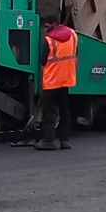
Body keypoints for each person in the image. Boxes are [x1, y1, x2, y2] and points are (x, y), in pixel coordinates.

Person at [36, 10, 78, 151]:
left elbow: (43, 61)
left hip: (52, 81)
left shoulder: (48, 40)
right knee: (64, 110)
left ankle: (49, 140)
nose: (46, 30)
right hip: (66, 79)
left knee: (48, 111)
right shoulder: (73, 35)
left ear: (54, 24)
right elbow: (74, 53)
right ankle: (64, 140)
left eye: (47, 27)